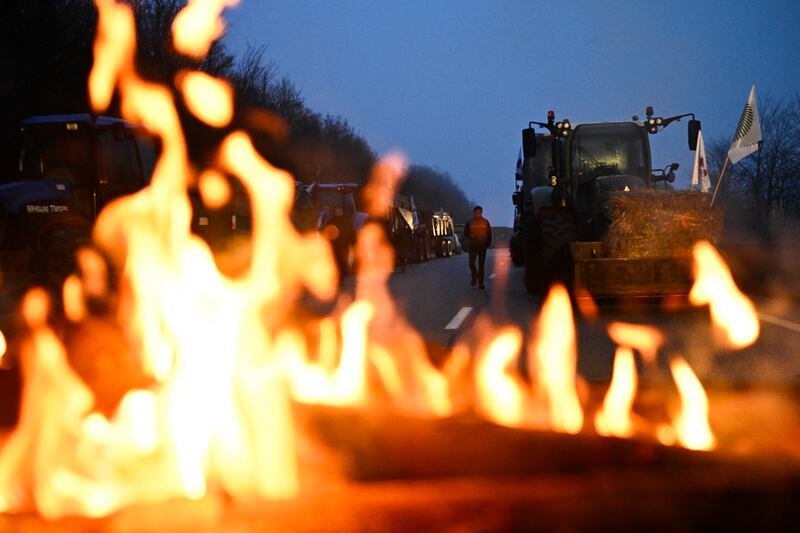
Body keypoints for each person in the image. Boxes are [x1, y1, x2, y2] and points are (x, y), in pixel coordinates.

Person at [464, 205, 492, 288]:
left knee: (481, 265)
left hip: (482, 246)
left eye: (479, 212)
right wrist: (471, 235)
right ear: (474, 212)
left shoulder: (485, 222)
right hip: (473, 246)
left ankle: (481, 283)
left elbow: (489, 234)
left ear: (481, 213)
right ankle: (474, 275)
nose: (478, 214)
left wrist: (487, 244)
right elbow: (466, 233)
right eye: (476, 212)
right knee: (471, 263)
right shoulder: (470, 222)